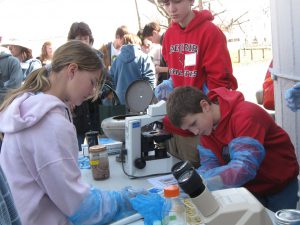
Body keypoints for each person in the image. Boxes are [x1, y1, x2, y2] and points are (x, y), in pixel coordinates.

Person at [0, 40, 143, 225]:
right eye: (92, 82)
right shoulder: (50, 124)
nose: (92, 91)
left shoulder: (29, 107)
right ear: (73, 70)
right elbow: (80, 207)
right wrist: (120, 201)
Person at [166, 86, 299, 212]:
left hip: (280, 187)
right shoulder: (206, 129)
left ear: (205, 106)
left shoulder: (246, 115)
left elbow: (243, 168)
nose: (194, 132)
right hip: (249, 190)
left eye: (193, 124)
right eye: (188, 129)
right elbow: (209, 164)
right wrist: (191, 182)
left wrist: (201, 182)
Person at [154, 0, 238, 167]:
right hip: (176, 124)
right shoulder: (169, 35)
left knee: (203, 179)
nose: (172, 9)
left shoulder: (210, 32)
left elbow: (221, 84)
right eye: (166, 3)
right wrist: (171, 83)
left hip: (199, 127)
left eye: (177, 1)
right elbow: (177, 70)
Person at [67, 21, 105, 150]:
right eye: (79, 39)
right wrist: (67, 98)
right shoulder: (66, 59)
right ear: (72, 40)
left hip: (93, 112)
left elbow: (108, 82)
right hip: (75, 115)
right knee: (75, 151)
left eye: (85, 38)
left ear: (90, 40)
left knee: (96, 152)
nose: (83, 42)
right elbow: (61, 83)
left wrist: (97, 91)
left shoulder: (98, 57)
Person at [109, 33, 155, 105]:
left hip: (120, 101)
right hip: (141, 100)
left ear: (123, 43)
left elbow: (111, 81)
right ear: (138, 43)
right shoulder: (144, 58)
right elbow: (150, 80)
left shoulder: (117, 60)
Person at [0, 47, 23, 150]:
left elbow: (15, 87)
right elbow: (15, 87)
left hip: (9, 111)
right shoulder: (14, 62)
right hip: (9, 111)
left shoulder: (13, 61)